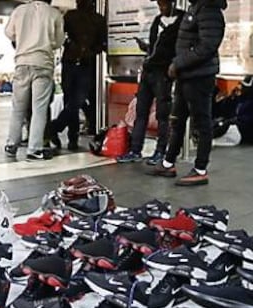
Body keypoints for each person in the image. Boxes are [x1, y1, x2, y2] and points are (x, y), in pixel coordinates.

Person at [150, 0, 227, 186]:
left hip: (200, 77)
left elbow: (208, 45)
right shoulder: (196, 8)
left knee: (202, 123)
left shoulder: (210, 10)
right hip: (186, 76)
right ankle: (168, 163)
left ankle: (200, 169)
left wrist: (179, 63)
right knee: (177, 120)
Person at [116, 0, 184, 165]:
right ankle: (135, 150)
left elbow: (181, 48)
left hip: (163, 73)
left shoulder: (182, 22)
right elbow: (155, 47)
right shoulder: (157, 21)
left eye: (164, 4)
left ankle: (160, 151)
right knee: (141, 112)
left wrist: (174, 66)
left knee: (162, 114)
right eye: (160, 5)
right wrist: (146, 47)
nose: (162, 8)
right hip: (149, 71)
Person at [4, 0, 64, 161]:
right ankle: (34, 148)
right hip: (43, 64)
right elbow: (59, 41)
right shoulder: (54, 13)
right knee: (39, 109)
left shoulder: (19, 10)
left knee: (18, 108)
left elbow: (9, 33)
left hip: (22, 63)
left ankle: (11, 144)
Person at [50, 0, 107, 151]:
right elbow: (61, 36)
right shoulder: (70, 16)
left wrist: (90, 51)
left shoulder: (98, 19)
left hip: (85, 64)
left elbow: (102, 43)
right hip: (70, 62)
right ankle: (72, 138)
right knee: (70, 101)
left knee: (77, 100)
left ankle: (54, 128)